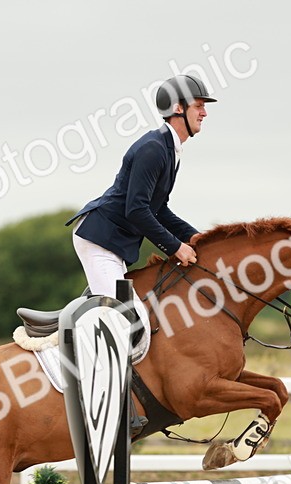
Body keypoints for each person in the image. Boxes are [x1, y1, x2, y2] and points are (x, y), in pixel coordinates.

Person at [66, 74, 216, 311]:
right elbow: (136, 210)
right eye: (198, 106)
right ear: (178, 107)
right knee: (125, 315)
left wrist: (195, 238)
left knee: (131, 314)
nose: (204, 113)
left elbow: (158, 209)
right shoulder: (154, 149)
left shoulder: (169, 150)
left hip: (113, 243)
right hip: (100, 239)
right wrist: (176, 247)